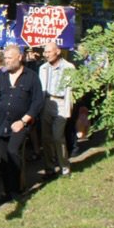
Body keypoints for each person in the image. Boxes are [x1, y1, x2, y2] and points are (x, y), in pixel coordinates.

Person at [0, 44, 44, 204]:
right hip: (2, 123)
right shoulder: (3, 78)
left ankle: (17, 189)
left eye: (9, 58)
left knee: (13, 152)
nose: (6, 61)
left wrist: (23, 121)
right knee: (3, 157)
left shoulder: (31, 77)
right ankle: (7, 190)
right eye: (5, 58)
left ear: (19, 57)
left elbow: (37, 102)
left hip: (22, 123)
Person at [40, 43, 76, 179]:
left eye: (49, 51)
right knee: (46, 138)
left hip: (61, 102)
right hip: (47, 102)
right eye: (45, 52)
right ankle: (49, 168)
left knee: (57, 137)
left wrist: (69, 108)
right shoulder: (43, 68)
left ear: (58, 51)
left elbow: (72, 89)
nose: (46, 54)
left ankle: (64, 168)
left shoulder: (68, 68)